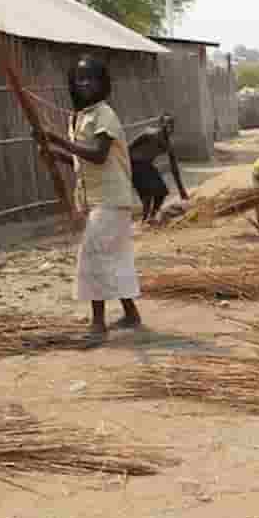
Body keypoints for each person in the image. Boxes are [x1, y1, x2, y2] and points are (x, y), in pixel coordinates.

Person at [38, 55, 142, 343]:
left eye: (91, 78)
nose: (85, 84)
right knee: (115, 257)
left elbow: (98, 154)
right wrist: (56, 156)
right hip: (97, 199)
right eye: (79, 79)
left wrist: (58, 141)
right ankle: (131, 314)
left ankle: (98, 325)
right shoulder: (80, 116)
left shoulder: (103, 114)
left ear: (103, 83)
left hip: (111, 198)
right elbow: (80, 160)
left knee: (93, 258)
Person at [129, 113, 188, 225]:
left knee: (162, 192)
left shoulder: (168, 145)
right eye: (165, 123)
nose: (168, 126)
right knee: (147, 195)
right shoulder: (150, 133)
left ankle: (151, 217)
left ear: (173, 127)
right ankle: (145, 220)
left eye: (171, 123)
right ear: (161, 124)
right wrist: (123, 165)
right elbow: (130, 146)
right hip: (134, 164)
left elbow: (174, 168)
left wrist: (182, 191)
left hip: (146, 165)